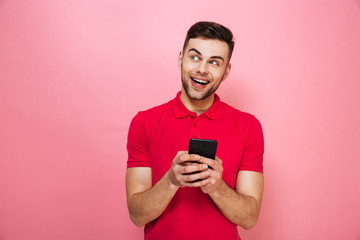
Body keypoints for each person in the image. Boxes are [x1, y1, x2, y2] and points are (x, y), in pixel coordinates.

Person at [126, 21, 264, 240]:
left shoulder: (248, 126)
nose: (202, 69)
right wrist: (171, 180)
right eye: (195, 57)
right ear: (181, 59)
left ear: (226, 71)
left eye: (214, 62)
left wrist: (217, 186)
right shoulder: (144, 122)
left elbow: (249, 219)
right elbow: (137, 215)